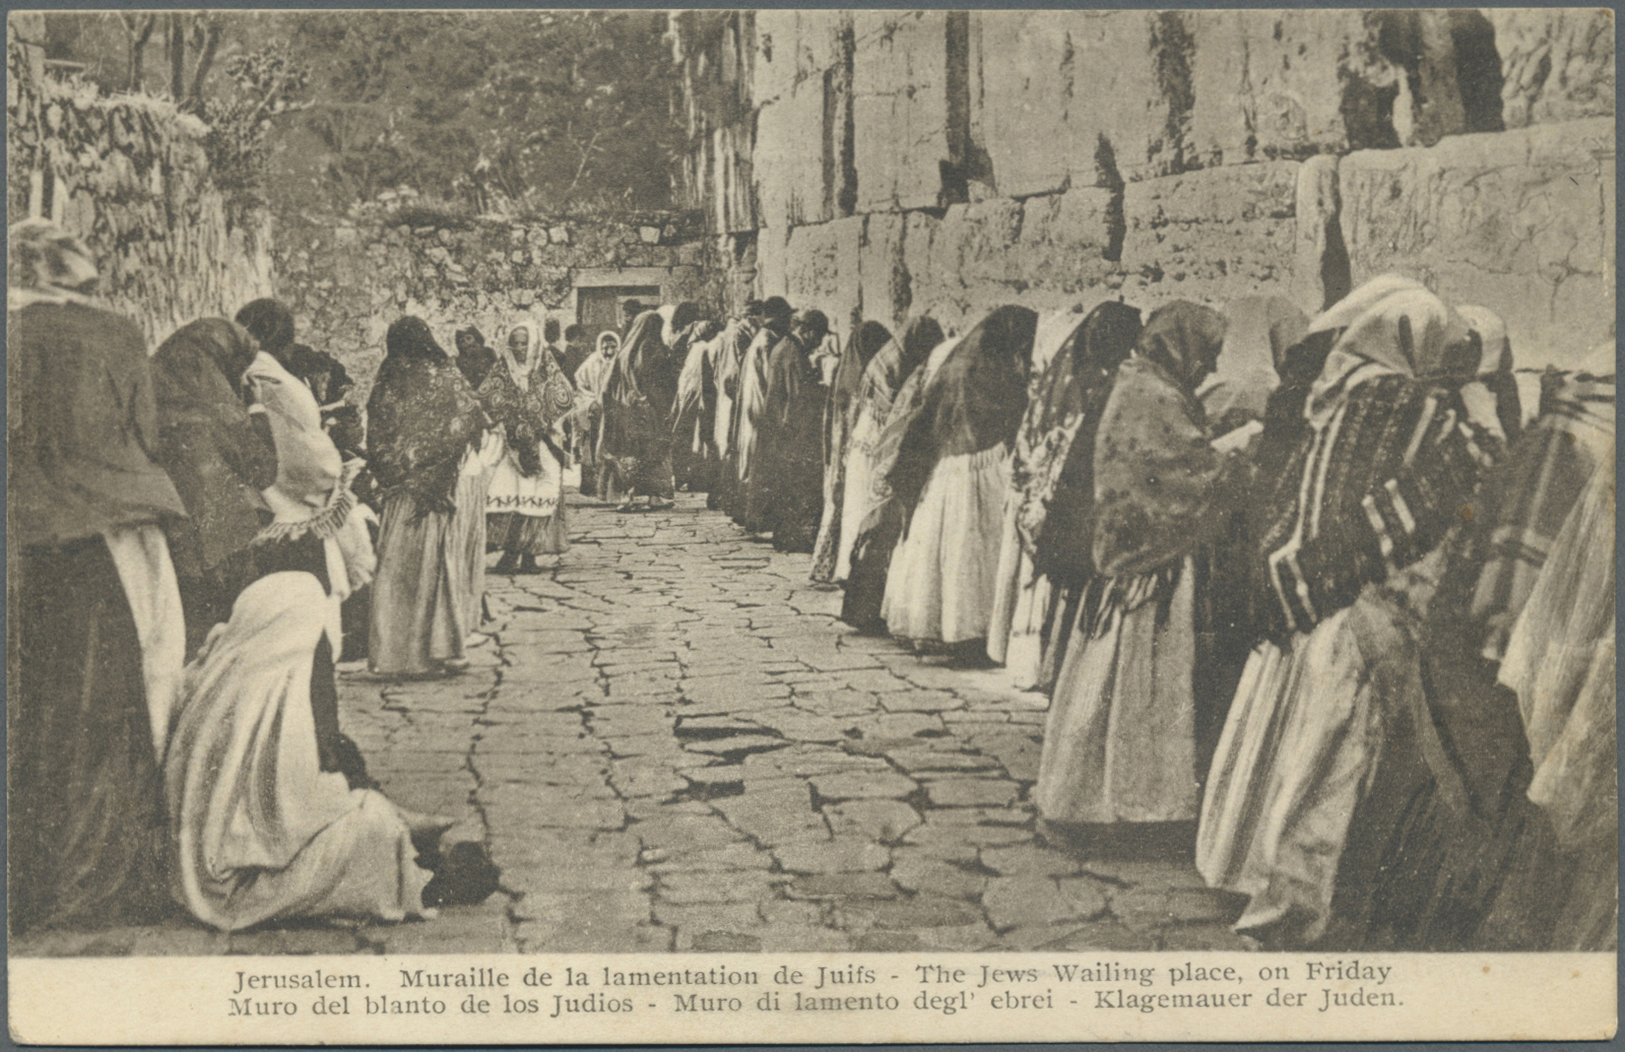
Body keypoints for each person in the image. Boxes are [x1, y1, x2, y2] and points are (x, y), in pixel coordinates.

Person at [1194, 277, 1501, 948]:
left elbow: (1325, 504)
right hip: (1358, 608)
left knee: (1301, 753)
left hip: (1314, 593)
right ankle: (1293, 912)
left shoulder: (1340, 392)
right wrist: (1477, 430)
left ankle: (1265, 881)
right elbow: (1454, 472)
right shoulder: (1399, 401)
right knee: (1330, 765)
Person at [8, 219, 189, 934]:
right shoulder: (114, 332)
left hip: (21, 535)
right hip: (104, 536)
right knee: (111, 706)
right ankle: (96, 879)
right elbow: (146, 430)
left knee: (29, 709)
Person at [1034, 302, 1231, 831]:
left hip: (1126, 563)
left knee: (1111, 689)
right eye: (1207, 353)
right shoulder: (1155, 396)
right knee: (1140, 690)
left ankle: (1092, 801)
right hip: (1150, 570)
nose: (1210, 367)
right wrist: (1233, 462)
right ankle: (1132, 807)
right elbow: (1180, 476)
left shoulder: (1138, 383)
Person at [166, 572, 439, 930]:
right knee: (377, 826)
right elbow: (291, 816)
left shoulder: (218, 680)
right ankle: (424, 868)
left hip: (199, 860)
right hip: (232, 879)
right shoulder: (272, 702)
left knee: (372, 812)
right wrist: (358, 800)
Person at [988, 302, 1141, 688]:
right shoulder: (1101, 382)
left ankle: (1035, 662)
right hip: (1063, 498)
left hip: (1046, 494)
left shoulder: (1072, 375)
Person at [882, 305, 1040, 645]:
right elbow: (1011, 417)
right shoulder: (992, 369)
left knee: (943, 551)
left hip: (946, 467)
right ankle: (969, 630)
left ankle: (939, 628)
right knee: (971, 550)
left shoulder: (959, 360)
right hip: (978, 466)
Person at [366, 317, 491, 677]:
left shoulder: (388, 376)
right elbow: (471, 416)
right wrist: (435, 467)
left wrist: (397, 470)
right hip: (433, 489)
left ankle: (393, 656)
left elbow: (376, 432)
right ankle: (435, 651)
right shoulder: (445, 374)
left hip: (400, 491)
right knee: (433, 567)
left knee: (395, 568)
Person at [149, 318, 279, 656]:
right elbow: (263, 469)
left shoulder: (147, 398)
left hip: (169, 544)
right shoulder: (219, 409)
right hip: (224, 545)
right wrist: (256, 406)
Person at [841, 323, 962, 632]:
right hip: (896, 460)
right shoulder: (917, 376)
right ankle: (870, 612)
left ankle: (868, 610)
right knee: (887, 537)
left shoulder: (909, 373)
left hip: (887, 457)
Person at [835, 315, 944, 587]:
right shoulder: (893, 367)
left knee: (861, 509)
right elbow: (896, 414)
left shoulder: (884, 360)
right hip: (875, 443)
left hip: (864, 442)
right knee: (872, 510)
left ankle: (851, 568)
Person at [481, 324, 575, 572]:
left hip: (543, 442)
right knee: (513, 496)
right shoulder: (503, 370)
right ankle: (510, 554)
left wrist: (547, 422)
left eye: (524, 343)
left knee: (539, 496)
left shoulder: (545, 369)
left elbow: (563, 397)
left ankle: (531, 554)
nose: (520, 349)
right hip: (512, 446)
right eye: (515, 344)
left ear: (533, 343)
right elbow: (488, 397)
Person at [810, 320, 892, 583]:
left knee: (844, 507)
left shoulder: (844, 370)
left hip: (846, 449)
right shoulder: (872, 374)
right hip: (864, 451)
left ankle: (838, 564)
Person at [750, 309, 833, 553]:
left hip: (778, 426)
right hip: (790, 431)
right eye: (817, 336)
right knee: (793, 486)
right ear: (805, 331)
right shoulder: (793, 354)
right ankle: (791, 537)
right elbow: (798, 399)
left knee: (784, 485)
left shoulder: (784, 347)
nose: (819, 342)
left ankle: (785, 535)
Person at [600, 310, 681, 510]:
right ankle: (653, 496)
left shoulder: (626, 350)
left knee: (631, 453)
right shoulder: (652, 348)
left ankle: (627, 497)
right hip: (650, 409)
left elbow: (609, 385)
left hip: (626, 411)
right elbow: (656, 382)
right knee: (653, 452)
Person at [728, 296, 794, 528]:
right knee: (760, 463)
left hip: (754, 409)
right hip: (759, 410)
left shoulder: (762, 339)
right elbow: (773, 381)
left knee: (753, 462)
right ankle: (756, 518)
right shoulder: (767, 343)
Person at [709, 300, 764, 511]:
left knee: (729, 446)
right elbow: (734, 370)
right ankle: (731, 499)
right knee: (733, 446)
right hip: (734, 395)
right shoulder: (741, 334)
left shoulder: (729, 334)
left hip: (728, 394)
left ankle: (727, 497)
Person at [670, 317, 724, 493]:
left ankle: (685, 477)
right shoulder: (703, 349)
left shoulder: (693, 348)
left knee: (688, 437)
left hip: (687, 398)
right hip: (700, 398)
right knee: (699, 438)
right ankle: (695, 478)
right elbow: (701, 377)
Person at [574, 330, 620, 496]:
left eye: (613, 347)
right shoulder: (592, 361)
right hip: (595, 413)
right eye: (605, 347)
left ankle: (610, 491)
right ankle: (592, 489)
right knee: (593, 450)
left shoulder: (621, 362)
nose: (609, 351)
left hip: (614, 414)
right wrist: (591, 401)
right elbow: (580, 383)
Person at [455, 326, 499, 390]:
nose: (466, 343)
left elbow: (497, 369)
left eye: (468, 338)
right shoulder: (460, 361)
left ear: (476, 338)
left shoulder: (488, 352)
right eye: (462, 341)